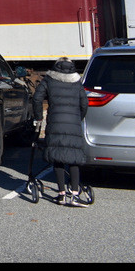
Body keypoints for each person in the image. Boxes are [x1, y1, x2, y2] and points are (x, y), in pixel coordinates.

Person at [33, 57, 89, 206]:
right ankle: (75, 194)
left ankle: (61, 194)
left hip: (55, 123)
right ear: (71, 67)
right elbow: (84, 102)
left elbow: (37, 98)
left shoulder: (49, 79)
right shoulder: (76, 81)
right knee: (74, 157)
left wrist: (38, 117)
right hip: (73, 123)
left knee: (57, 158)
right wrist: (78, 118)